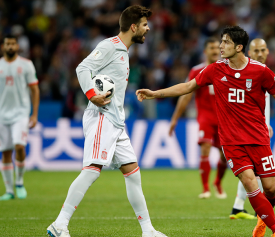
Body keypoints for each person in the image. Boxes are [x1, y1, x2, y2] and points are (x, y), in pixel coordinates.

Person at [137, 26, 275, 237]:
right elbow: (187, 87)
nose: (221, 46)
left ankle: (263, 217)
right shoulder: (216, 69)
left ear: (239, 47)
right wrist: (154, 93)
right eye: (221, 42)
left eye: (225, 42)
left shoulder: (261, 71)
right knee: (250, 181)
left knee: (270, 188)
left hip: (258, 138)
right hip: (232, 141)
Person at [47, 6, 166, 237]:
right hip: (102, 117)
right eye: (144, 24)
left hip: (116, 120)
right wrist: (92, 94)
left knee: (133, 173)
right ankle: (59, 224)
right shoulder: (109, 46)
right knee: (92, 170)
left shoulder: (123, 50)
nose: (147, 28)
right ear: (133, 27)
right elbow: (83, 68)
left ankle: (148, 230)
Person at [229, 39, 275, 233]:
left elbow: (266, 102)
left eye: (263, 50)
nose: (260, 54)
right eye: (256, 51)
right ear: (248, 52)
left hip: (260, 129)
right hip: (245, 132)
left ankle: (243, 208)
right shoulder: (248, 72)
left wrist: (266, 123)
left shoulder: (263, 72)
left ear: (268, 51)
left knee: (258, 178)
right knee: (250, 175)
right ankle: (255, 213)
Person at [168, 38, 228, 199]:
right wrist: (175, 119)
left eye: (217, 47)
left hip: (224, 120)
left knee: (225, 156)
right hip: (205, 118)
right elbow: (186, 96)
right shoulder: (197, 71)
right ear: (205, 51)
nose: (215, 50)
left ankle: (218, 183)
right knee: (205, 149)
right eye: (211, 48)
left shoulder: (227, 69)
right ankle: (206, 188)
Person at [0, 34, 40, 201]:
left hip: (21, 113)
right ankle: (9, 191)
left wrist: (34, 114)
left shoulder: (26, 65)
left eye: (13, 44)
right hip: (2, 114)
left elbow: (34, 90)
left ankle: (20, 182)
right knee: (6, 152)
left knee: (19, 146)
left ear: (17, 46)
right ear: (3, 46)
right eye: (7, 44)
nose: (10, 47)